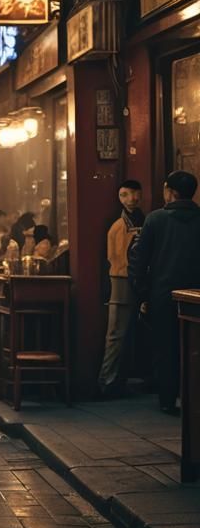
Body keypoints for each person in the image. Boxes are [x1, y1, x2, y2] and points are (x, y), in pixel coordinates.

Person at [129, 170, 200, 415]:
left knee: (166, 348)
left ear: (171, 192)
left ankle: (168, 400)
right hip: (195, 296)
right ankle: (193, 397)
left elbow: (139, 260)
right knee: (195, 347)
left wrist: (142, 294)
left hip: (162, 295)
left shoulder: (155, 219)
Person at [98, 180, 145, 398]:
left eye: (135, 194)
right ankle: (107, 383)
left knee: (126, 335)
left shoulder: (142, 220)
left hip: (137, 281)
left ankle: (119, 380)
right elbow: (114, 259)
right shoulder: (119, 226)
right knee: (116, 335)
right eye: (126, 195)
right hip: (121, 280)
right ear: (120, 197)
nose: (131, 199)